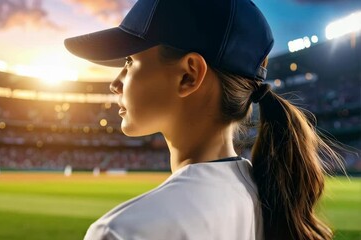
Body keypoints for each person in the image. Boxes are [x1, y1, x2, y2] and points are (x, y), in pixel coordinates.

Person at [64, 0, 341, 239]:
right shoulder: (265, 197)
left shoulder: (123, 231)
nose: (115, 83)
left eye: (129, 62)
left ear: (189, 75)